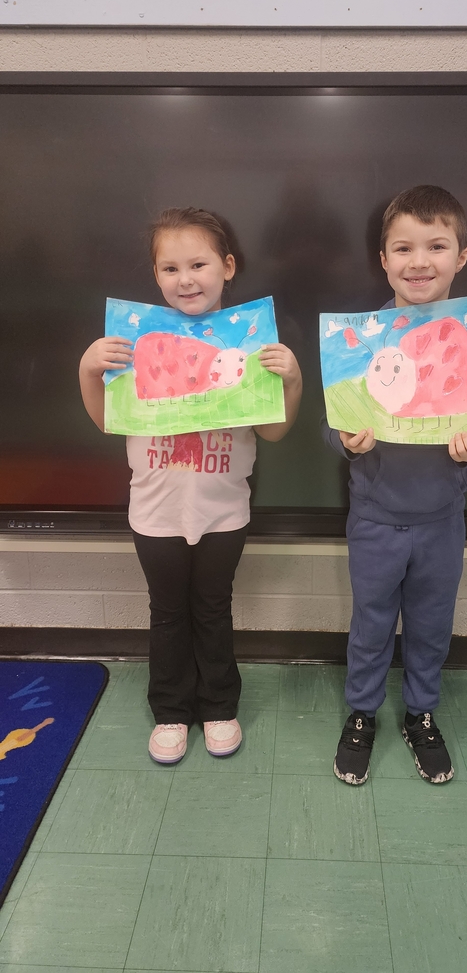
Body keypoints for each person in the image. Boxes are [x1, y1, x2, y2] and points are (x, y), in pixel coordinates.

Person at [79, 207, 302, 764]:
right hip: (154, 513)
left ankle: (219, 706)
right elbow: (109, 421)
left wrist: (292, 380)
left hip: (224, 512)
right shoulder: (136, 342)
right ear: (156, 276)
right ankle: (172, 712)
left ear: (227, 267)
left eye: (199, 263)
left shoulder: (248, 347)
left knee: (213, 609)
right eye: (170, 267)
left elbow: (274, 431)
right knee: (167, 613)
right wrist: (88, 369)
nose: (186, 278)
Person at [325, 185, 467, 786]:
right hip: (375, 518)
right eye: (402, 248)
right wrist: (347, 440)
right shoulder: (361, 339)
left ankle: (421, 713)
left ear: (462, 256)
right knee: (372, 624)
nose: (418, 261)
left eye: (436, 246)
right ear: (383, 260)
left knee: (431, 624)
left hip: (441, 521)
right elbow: (336, 422)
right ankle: (362, 713)